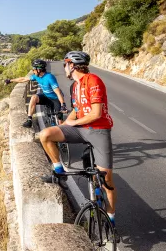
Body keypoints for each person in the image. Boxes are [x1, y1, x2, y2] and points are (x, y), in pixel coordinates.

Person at [39, 51, 117, 229]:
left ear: (72, 65)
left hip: (98, 130)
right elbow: (76, 108)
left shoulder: (93, 80)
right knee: (46, 135)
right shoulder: (74, 86)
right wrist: (66, 124)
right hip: (80, 129)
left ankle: (111, 217)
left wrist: (74, 122)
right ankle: (59, 172)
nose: (64, 68)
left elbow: (96, 114)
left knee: (107, 181)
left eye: (65, 64)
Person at [5, 59, 67, 128]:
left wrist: (63, 105)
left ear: (39, 69)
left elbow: (58, 93)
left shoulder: (49, 77)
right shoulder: (36, 76)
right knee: (34, 97)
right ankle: (29, 120)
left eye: (34, 69)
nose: (33, 71)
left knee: (60, 119)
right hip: (46, 96)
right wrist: (10, 80)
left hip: (55, 98)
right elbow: (23, 79)